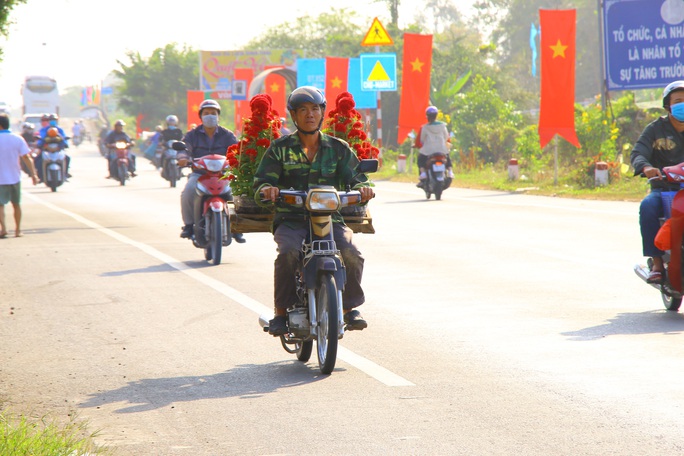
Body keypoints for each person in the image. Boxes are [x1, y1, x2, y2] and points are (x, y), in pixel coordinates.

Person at [253, 86, 375, 336]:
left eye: (315, 109)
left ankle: (349, 308)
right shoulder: (280, 148)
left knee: (351, 253)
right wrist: (268, 190)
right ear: (294, 115)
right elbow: (261, 182)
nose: (310, 114)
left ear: (322, 113)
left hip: (330, 218)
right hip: (291, 218)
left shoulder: (337, 148)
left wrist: (364, 189)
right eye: (303, 110)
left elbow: (358, 178)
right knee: (288, 252)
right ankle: (281, 312)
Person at [631, 80, 684, 284]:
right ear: (668, 105)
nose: (682, 104)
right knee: (648, 207)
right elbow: (638, 153)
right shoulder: (655, 130)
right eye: (678, 101)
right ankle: (657, 263)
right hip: (664, 190)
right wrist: (646, 167)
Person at [179, 99, 245, 243]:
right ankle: (189, 226)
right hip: (199, 174)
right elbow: (184, 149)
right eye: (206, 113)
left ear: (218, 116)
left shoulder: (227, 135)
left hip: (223, 175)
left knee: (236, 195)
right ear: (201, 116)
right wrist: (183, 158)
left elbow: (237, 151)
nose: (210, 116)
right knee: (187, 192)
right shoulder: (192, 135)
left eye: (213, 113)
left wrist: (241, 160)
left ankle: (237, 227)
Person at [0, 113, 38, 238]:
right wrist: (33, 174)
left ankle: (4, 228)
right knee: (16, 204)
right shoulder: (17, 139)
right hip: (15, 177)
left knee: (0, 205)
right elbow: (27, 157)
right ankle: (17, 230)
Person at [413, 105, 454, 188]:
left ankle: (423, 173)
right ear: (436, 115)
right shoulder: (443, 126)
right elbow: (447, 138)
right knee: (447, 157)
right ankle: (450, 171)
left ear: (427, 116)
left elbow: (421, 140)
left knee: (420, 159)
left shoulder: (424, 128)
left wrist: (417, 145)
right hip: (442, 150)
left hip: (428, 151)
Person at [35, 113, 72, 180]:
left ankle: (65, 174)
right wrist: (40, 144)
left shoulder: (60, 130)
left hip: (58, 149)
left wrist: (64, 144)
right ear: (48, 121)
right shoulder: (44, 130)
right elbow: (41, 139)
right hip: (47, 150)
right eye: (51, 120)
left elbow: (64, 139)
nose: (53, 121)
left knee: (67, 158)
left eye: (54, 120)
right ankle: (40, 176)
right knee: (37, 160)